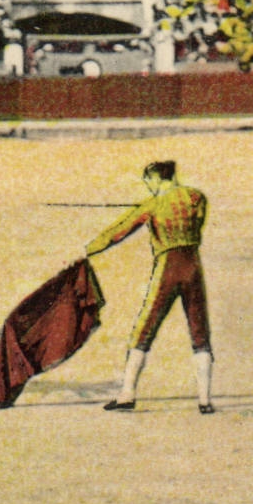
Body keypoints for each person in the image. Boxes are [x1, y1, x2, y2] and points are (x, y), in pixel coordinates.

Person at [83, 160, 215, 414]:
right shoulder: (196, 197)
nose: (148, 186)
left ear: (156, 178)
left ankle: (127, 394)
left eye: (148, 181)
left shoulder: (152, 205)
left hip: (168, 268)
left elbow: (118, 232)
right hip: (193, 267)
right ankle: (204, 400)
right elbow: (198, 224)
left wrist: (89, 250)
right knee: (200, 332)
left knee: (144, 329)